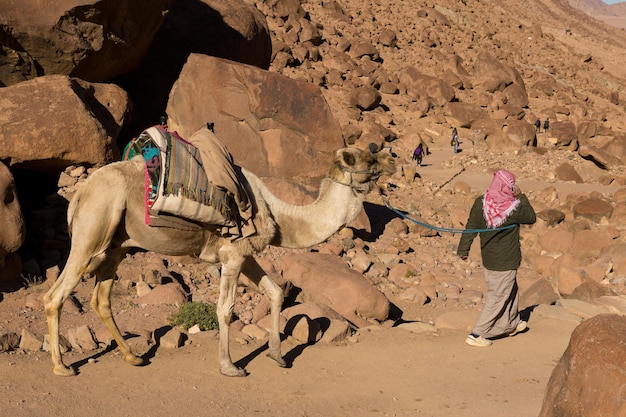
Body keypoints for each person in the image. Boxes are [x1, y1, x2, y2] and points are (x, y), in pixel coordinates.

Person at [457, 169, 536, 347]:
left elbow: (470, 227)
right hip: (505, 261)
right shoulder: (513, 207)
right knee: (498, 296)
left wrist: (464, 249)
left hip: (490, 260)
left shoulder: (481, 203)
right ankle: (478, 333)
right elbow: (531, 217)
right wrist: (522, 196)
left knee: (511, 289)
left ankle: (510, 323)